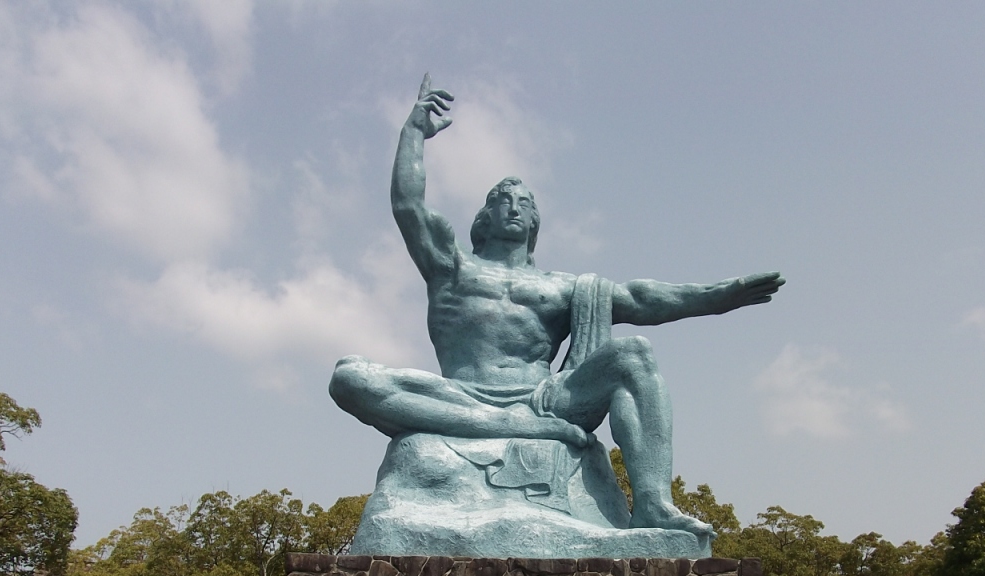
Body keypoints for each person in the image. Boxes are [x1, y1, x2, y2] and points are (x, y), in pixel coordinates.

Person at [330, 75, 784, 545]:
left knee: (636, 355)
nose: (512, 206)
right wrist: (413, 134)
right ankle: (507, 426)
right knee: (349, 377)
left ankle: (653, 502)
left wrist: (718, 296)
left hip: (545, 399)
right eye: (500, 200)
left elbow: (643, 299)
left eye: (523, 202)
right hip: (460, 395)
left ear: (534, 222)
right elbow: (408, 205)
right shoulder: (451, 266)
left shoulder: (562, 287)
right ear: (482, 218)